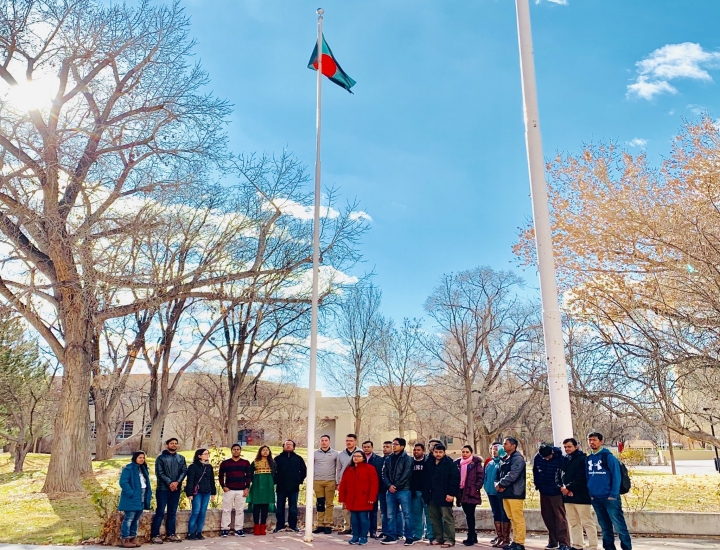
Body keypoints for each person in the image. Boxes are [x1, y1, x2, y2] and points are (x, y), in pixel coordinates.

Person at [586, 433, 632, 550]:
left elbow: (617, 477)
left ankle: (626, 547)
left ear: (601, 441)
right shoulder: (589, 459)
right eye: (590, 440)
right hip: (596, 498)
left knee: (619, 526)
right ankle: (609, 547)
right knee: (605, 527)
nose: (592, 442)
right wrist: (590, 494)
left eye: (594, 440)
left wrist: (613, 494)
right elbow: (588, 477)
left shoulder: (609, 457)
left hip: (610, 498)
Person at [557, 438, 598, 550]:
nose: (567, 449)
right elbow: (558, 475)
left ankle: (593, 545)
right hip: (567, 496)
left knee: (587, 522)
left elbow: (581, 477)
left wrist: (569, 488)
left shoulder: (583, 459)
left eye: (569, 446)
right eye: (565, 447)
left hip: (581, 496)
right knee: (573, 522)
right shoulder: (564, 460)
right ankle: (577, 545)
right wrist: (562, 488)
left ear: (576, 447)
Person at [533, 444, 570, 550]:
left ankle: (564, 542)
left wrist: (560, 486)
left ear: (552, 453)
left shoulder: (560, 459)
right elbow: (536, 471)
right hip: (543, 490)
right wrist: (538, 484)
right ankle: (553, 541)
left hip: (556, 492)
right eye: (544, 458)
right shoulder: (538, 458)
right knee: (547, 516)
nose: (547, 459)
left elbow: (564, 474)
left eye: (548, 457)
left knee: (560, 518)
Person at [151, 438, 187, 544]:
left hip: (176, 489)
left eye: (176, 443)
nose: (174, 445)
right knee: (160, 512)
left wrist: (177, 482)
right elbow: (159, 472)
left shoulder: (181, 458)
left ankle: (171, 534)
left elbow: (184, 471)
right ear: (167, 445)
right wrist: (170, 483)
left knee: (172, 512)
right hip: (163, 489)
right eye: (172, 443)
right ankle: (155, 535)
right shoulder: (160, 458)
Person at [339, 450, 380, 545]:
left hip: (364, 498)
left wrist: (371, 497)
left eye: (358, 456)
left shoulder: (369, 468)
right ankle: (355, 536)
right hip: (351, 499)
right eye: (354, 456)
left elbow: (374, 484)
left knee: (363, 518)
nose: (356, 458)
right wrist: (343, 499)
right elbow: (343, 484)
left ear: (363, 458)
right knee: (354, 519)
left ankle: (363, 537)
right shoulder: (349, 469)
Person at [423, 443, 460, 548]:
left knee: (447, 518)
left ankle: (449, 539)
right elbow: (425, 480)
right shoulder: (429, 463)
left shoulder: (449, 464)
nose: (438, 454)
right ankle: (438, 538)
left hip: (445, 496)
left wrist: (451, 494)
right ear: (433, 452)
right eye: (436, 452)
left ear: (444, 452)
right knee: (434, 519)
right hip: (431, 496)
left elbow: (454, 480)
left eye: (440, 452)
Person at [495, 437, 526, 550]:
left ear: (513, 445)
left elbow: (513, 474)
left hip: (515, 493)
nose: (504, 446)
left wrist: (501, 484)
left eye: (506, 444)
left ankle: (520, 543)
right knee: (511, 518)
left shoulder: (518, 459)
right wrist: (497, 484)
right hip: (505, 493)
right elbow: (499, 473)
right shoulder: (505, 458)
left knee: (517, 518)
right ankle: (515, 541)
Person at [381, 437, 413, 545]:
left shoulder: (407, 459)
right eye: (393, 444)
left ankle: (409, 537)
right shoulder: (388, 458)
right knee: (390, 514)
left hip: (404, 490)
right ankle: (391, 536)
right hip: (390, 491)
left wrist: (396, 486)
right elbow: (384, 473)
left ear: (402, 446)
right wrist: (389, 485)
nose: (393, 445)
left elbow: (406, 475)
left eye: (396, 444)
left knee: (407, 515)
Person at [118, 451, 152, 548]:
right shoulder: (128, 469)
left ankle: (133, 538)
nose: (142, 459)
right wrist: (131, 493)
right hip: (132, 496)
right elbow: (123, 482)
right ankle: (125, 539)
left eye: (143, 458)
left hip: (142, 494)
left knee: (136, 518)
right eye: (140, 457)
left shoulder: (143, 469)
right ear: (135, 458)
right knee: (129, 518)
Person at [218, 443, 252, 537]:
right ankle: (225, 529)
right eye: (234, 449)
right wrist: (223, 486)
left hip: (241, 490)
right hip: (229, 490)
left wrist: (247, 487)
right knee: (226, 510)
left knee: (240, 510)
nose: (236, 451)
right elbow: (220, 476)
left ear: (240, 451)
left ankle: (239, 529)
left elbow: (249, 476)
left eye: (238, 449)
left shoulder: (245, 463)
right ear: (231, 451)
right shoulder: (225, 463)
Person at [275, 439, 307, 533]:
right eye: (286, 444)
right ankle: (279, 525)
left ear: (293, 447)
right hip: (281, 487)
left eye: (290, 445)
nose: (288, 446)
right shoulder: (277, 459)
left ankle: (293, 525)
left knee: (293, 508)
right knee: (279, 508)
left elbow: (304, 471)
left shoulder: (298, 459)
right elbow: (273, 472)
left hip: (294, 487)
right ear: (283, 446)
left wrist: (299, 480)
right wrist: (276, 480)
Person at [184, 448, 217, 540]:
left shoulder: (209, 467)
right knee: (196, 511)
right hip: (197, 492)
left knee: (203, 512)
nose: (207, 455)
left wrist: (213, 493)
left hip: (206, 491)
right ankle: (191, 533)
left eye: (208, 454)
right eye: (205, 454)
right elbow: (190, 481)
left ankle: (199, 532)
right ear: (199, 456)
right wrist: (189, 493)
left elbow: (212, 480)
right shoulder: (193, 466)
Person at [455, 445, 484, 547]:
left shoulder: (476, 463)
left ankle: (471, 536)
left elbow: (480, 476)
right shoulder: (458, 463)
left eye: (467, 452)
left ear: (471, 453)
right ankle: (473, 535)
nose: (465, 454)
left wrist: (476, 488)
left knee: (470, 515)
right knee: (468, 515)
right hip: (462, 492)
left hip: (471, 492)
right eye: (463, 452)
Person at [484, 443, 510, 548]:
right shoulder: (489, 463)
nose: (494, 451)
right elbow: (485, 477)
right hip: (491, 492)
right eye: (492, 449)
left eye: (496, 449)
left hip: (500, 492)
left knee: (503, 514)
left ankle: (505, 538)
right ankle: (499, 537)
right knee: (496, 514)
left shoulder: (503, 462)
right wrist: (485, 487)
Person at [247, 445, 276, 535]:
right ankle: (256, 527)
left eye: (267, 450)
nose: (265, 452)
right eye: (263, 450)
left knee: (265, 506)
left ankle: (263, 527)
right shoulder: (255, 462)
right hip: (257, 485)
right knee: (256, 506)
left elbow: (275, 474)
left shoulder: (272, 463)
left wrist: (272, 483)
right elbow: (250, 474)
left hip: (268, 485)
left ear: (269, 452)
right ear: (260, 451)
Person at [313, 434, 339, 535]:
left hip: (330, 481)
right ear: (320, 442)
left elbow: (338, 468)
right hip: (318, 481)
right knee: (320, 503)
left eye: (326, 440)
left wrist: (337, 482)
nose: (324, 442)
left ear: (329, 442)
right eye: (322, 440)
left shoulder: (335, 454)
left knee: (329, 503)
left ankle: (328, 524)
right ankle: (320, 524)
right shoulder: (315, 454)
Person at [337, 433, 360, 534]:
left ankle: (357, 527)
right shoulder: (341, 454)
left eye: (350, 441)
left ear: (355, 441)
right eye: (347, 441)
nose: (348, 442)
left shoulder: (361, 453)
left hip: (358, 484)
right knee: (345, 507)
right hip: (345, 484)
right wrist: (338, 483)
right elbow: (338, 469)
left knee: (357, 506)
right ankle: (347, 527)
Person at [410, 443, 433, 543]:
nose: (416, 452)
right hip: (415, 493)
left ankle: (430, 534)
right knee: (417, 515)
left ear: (423, 451)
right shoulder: (410, 462)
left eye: (418, 450)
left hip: (426, 493)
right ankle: (417, 534)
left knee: (429, 515)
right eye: (414, 450)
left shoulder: (428, 462)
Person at [363, 440, 384, 539]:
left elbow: (379, 475)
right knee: (361, 511)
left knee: (373, 511)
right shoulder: (358, 458)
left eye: (368, 447)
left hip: (373, 489)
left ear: (372, 448)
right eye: (364, 447)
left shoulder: (378, 459)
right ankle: (362, 531)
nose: (366, 449)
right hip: (361, 489)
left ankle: (373, 531)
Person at [377, 441, 394, 538]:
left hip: (392, 490)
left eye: (387, 446)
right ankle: (385, 531)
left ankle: (397, 532)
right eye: (383, 446)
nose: (385, 448)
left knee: (394, 512)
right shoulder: (379, 460)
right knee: (383, 512)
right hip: (382, 490)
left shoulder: (394, 460)